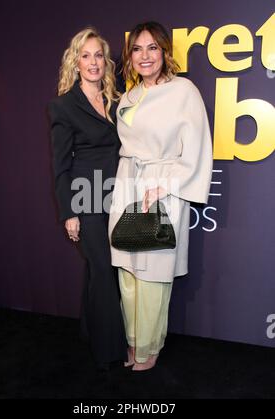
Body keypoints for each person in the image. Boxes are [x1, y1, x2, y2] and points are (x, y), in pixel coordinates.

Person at [109, 21, 213, 371]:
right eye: (137, 49)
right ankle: (133, 341)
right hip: (128, 183)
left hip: (162, 187)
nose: (145, 55)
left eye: (152, 47)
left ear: (165, 52)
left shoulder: (184, 91)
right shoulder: (130, 95)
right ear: (129, 56)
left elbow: (198, 149)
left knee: (152, 274)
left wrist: (166, 185)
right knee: (127, 270)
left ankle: (150, 348)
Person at [48, 27, 127, 370]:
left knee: (98, 270)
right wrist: (69, 212)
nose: (93, 62)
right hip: (86, 198)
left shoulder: (117, 99)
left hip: (117, 196)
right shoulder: (63, 106)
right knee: (103, 268)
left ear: (105, 62)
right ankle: (109, 351)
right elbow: (61, 165)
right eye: (86, 55)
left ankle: (88, 330)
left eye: (98, 55)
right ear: (75, 62)